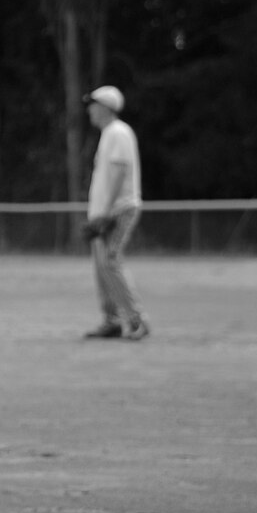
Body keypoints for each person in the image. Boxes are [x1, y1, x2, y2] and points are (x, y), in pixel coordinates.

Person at [81, 86, 149, 341]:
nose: (89, 109)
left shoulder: (118, 132)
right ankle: (112, 320)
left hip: (118, 210)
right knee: (101, 266)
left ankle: (136, 319)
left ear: (106, 108)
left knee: (110, 262)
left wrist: (105, 213)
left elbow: (120, 172)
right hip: (106, 212)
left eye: (93, 104)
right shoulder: (109, 133)